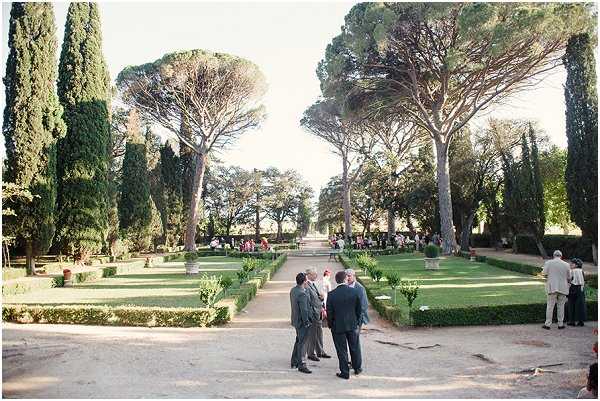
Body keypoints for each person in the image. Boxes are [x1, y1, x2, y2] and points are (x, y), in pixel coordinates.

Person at [326, 270, 362, 379]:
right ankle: (357, 368)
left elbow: (329, 312)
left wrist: (331, 325)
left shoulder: (331, 295)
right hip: (352, 325)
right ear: (345, 279)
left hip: (338, 326)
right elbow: (359, 310)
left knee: (342, 350)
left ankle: (345, 372)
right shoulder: (354, 292)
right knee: (354, 347)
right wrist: (356, 322)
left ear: (336, 281)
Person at [304, 268, 331, 361]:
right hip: (314, 314)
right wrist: (313, 313)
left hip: (318, 312)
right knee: (312, 334)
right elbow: (307, 302)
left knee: (319, 333)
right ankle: (311, 353)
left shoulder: (311, 284)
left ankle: (320, 351)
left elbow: (315, 298)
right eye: (314, 274)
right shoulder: (306, 285)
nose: (316, 275)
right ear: (308, 275)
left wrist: (322, 298)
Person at [542, 250, 572, 330]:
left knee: (550, 306)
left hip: (552, 287)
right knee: (561, 306)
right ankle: (560, 324)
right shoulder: (566, 264)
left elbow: (544, 273)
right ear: (561, 256)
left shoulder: (548, 263)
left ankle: (547, 324)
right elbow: (569, 277)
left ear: (553, 255)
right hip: (563, 287)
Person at [290, 272, 312, 374]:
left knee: (299, 340)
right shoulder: (302, 293)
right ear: (304, 281)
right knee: (303, 343)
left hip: (295, 320)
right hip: (302, 322)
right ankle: (302, 364)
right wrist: (307, 321)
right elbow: (304, 310)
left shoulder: (293, 290)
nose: (307, 281)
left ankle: (294, 361)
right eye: (306, 280)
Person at [567, 258, 586, 327]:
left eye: (572, 264)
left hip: (573, 288)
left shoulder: (572, 271)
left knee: (571, 304)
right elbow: (584, 280)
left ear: (576, 265)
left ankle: (572, 321)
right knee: (581, 305)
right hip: (581, 289)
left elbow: (569, 279)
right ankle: (581, 321)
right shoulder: (581, 271)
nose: (570, 265)